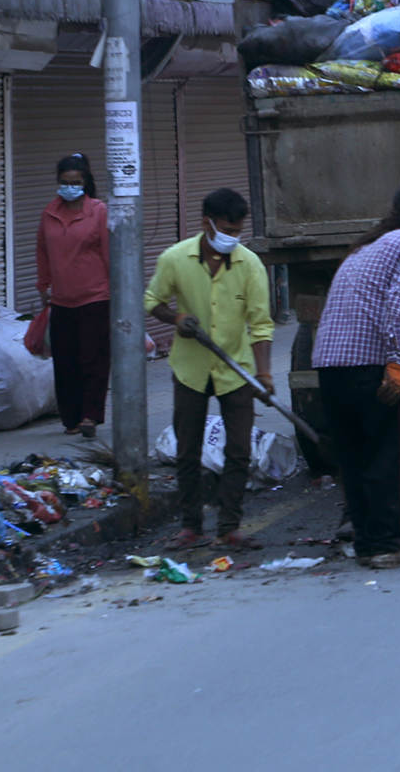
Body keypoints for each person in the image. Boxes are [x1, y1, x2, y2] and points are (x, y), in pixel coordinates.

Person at [313, 182, 400, 570]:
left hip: (329, 364)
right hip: (368, 364)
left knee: (353, 460)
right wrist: (394, 363)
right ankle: (387, 544)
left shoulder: (368, 247)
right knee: (383, 457)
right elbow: (399, 304)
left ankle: (367, 543)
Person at [144, 188, 274, 552]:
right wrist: (176, 317)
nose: (233, 237)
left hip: (237, 370)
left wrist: (264, 375)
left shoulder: (250, 265)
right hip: (190, 368)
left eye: (238, 231)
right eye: (227, 229)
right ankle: (191, 527)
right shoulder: (175, 259)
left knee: (238, 450)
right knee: (188, 450)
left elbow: (261, 325)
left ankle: (229, 526)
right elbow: (152, 301)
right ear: (207, 223)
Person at [36, 154, 110, 438]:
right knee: (64, 361)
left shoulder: (98, 211)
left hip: (95, 297)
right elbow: (43, 251)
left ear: (85, 183)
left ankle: (90, 415)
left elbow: (108, 254)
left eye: (75, 182)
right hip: (61, 300)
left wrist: (115, 293)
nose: (69, 187)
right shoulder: (49, 213)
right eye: (64, 183)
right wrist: (43, 286)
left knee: (92, 359)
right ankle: (71, 418)